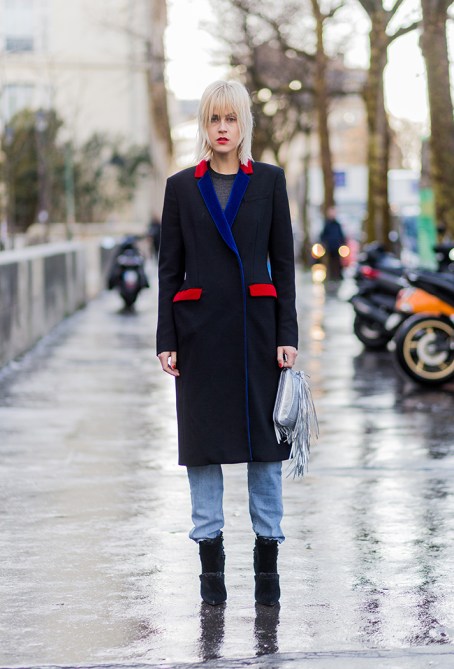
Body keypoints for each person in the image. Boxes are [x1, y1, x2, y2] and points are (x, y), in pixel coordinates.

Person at [156, 81, 298, 607]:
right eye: (214, 118)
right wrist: (166, 338)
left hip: (257, 332)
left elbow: (283, 264)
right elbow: (168, 270)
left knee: (266, 449)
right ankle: (211, 575)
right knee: (203, 449)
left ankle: (268, 571)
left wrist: (287, 334)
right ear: (203, 124)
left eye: (231, 118)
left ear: (244, 125)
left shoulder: (270, 181)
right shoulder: (180, 187)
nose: (222, 128)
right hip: (199, 335)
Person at [320, 206, 346, 281]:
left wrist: (342, 243)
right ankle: (331, 276)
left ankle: (338, 275)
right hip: (329, 247)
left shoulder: (337, 224)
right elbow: (323, 236)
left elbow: (341, 235)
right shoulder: (327, 224)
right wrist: (325, 243)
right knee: (330, 262)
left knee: (338, 262)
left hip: (337, 247)